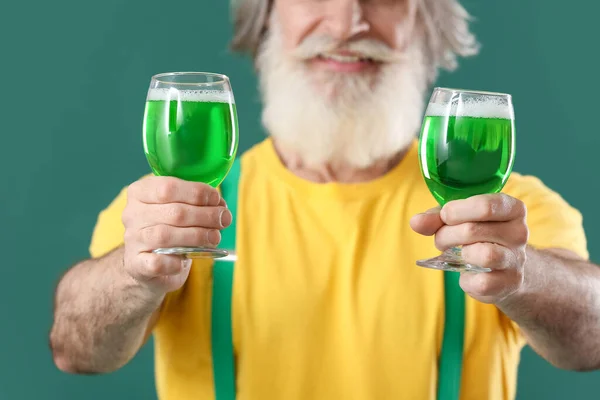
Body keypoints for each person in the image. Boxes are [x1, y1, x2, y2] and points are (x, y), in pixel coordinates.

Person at [49, 0, 600, 399]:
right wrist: (132, 274)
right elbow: (76, 350)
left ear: (427, 24)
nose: (346, 22)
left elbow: (590, 341)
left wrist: (524, 275)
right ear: (265, 17)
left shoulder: (508, 210)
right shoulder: (169, 210)